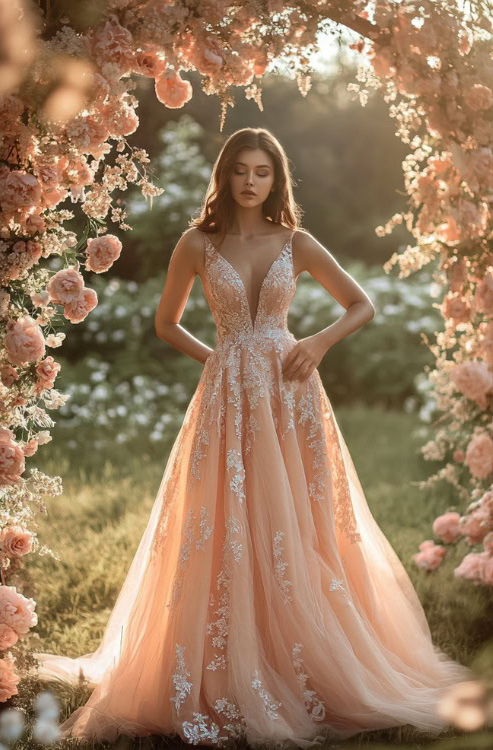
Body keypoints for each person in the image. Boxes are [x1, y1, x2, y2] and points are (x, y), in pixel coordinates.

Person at [32, 127, 473, 748]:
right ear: (225, 174)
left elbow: (361, 304)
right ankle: (231, 659)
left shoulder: (297, 241)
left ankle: (314, 650)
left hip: (292, 395)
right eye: (240, 170)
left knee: (303, 513)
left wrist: (315, 344)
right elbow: (166, 322)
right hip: (228, 395)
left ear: (276, 178)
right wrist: (219, 358)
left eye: (262, 171)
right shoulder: (196, 243)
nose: (249, 181)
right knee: (223, 517)